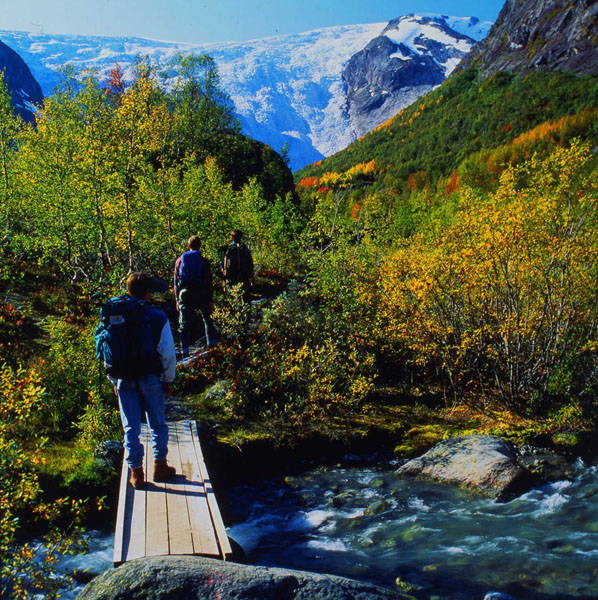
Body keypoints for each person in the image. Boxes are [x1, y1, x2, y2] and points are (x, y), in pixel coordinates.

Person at [96, 272, 177, 490]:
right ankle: (160, 467)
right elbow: (167, 353)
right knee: (157, 422)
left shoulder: (115, 315)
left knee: (130, 427)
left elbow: (106, 350)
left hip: (123, 378)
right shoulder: (157, 316)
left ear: (128, 290)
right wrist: (168, 380)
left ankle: (136, 474)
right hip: (150, 376)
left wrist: (113, 378)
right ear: (147, 292)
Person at [174, 235, 219, 357]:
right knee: (207, 319)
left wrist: (177, 300)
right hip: (201, 293)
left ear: (188, 246)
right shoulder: (204, 261)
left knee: (184, 323)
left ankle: (185, 351)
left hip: (185, 293)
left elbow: (176, 281)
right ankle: (212, 346)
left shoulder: (179, 260)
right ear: (199, 246)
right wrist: (210, 299)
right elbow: (209, 281)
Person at [222, 229, 254, 300]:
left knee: (231, 296)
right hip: (244, 275)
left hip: (231, 275)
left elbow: (222, 264)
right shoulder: (244, 248)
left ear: (232, 237)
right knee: (245, 297)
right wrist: (252, 278)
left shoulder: (228, 248)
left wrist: (223, 280)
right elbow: (250, 263)